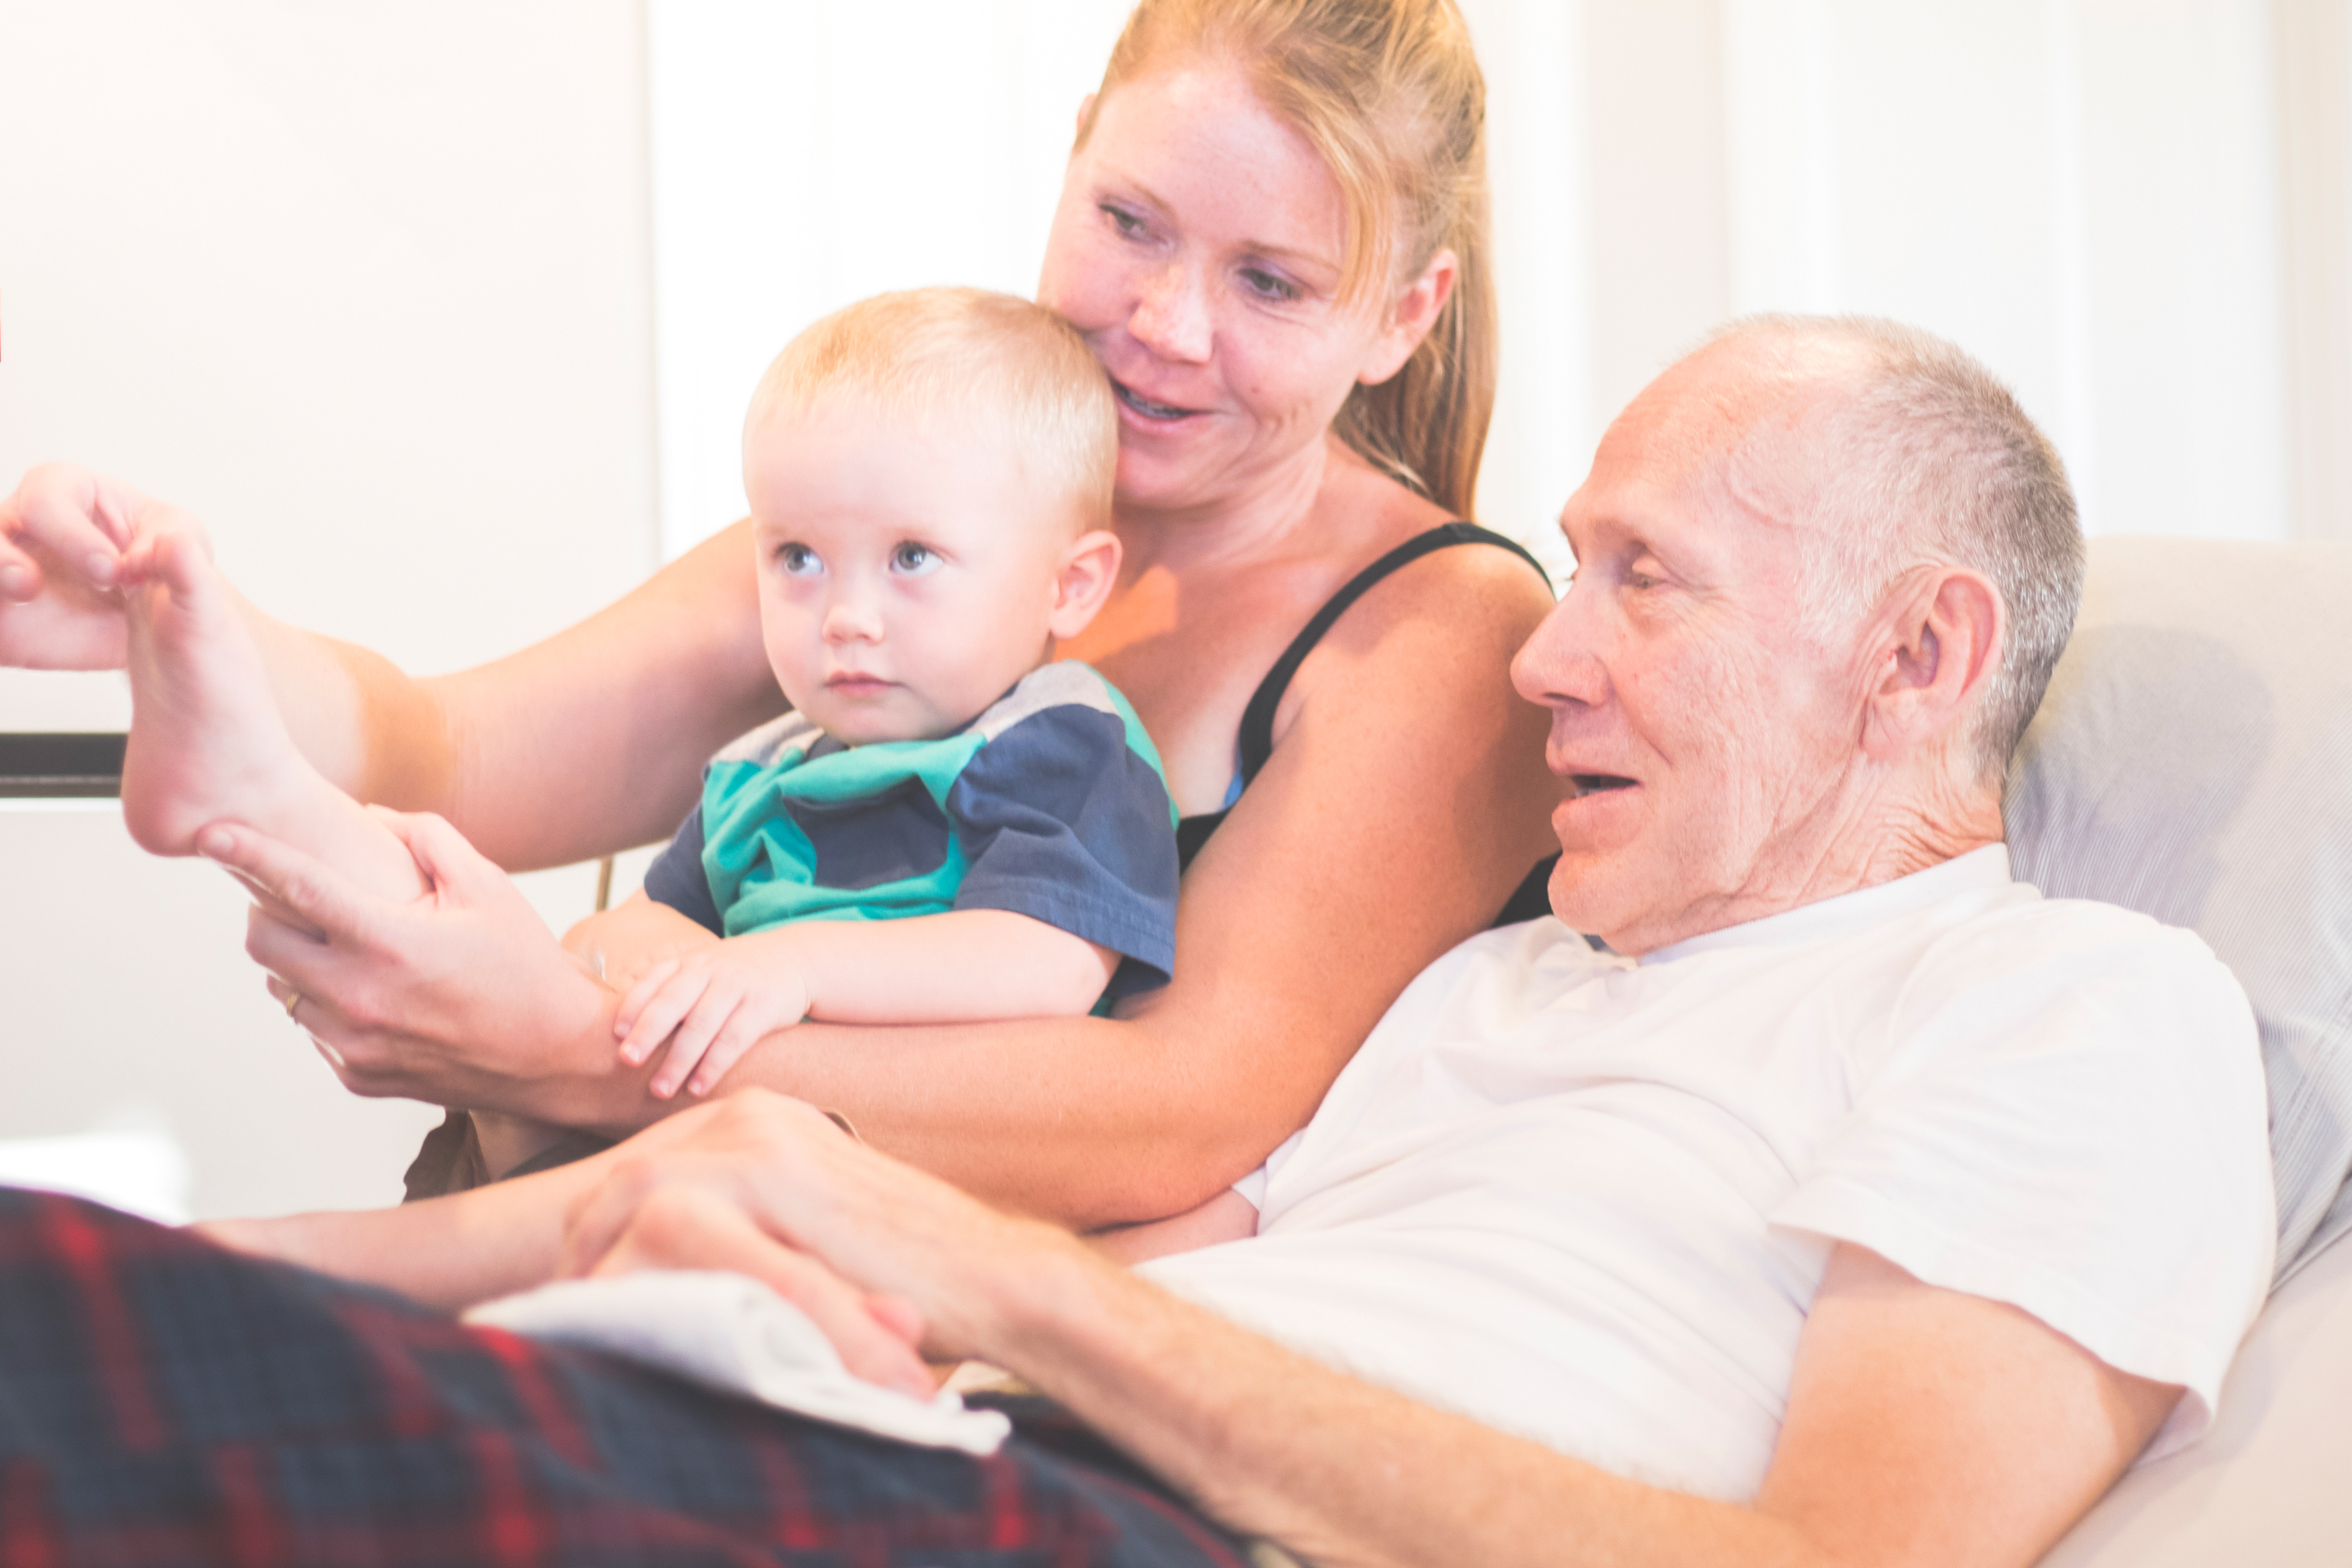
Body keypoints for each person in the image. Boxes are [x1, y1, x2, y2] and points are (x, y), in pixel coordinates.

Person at [0, 317, 2275, 1567]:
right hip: (930, 1440)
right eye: (1562, 569)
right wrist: (735, 1228)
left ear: (1912, 655)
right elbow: (1141, 1228)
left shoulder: (2071, 1008)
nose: (1539, 657)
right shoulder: (1493, 988)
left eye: (1640, 580)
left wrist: (988, 1277)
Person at [0, 0, 1562, 1223]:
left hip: (904, 1283)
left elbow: (1174, 1114)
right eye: (1130, 221)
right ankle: (236, 772)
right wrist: (167, 621)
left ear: (1401, 315)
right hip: (647, 1195)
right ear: (1075, 152)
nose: (1164, 327)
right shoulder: (925, 510)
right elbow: (448, 745)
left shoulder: (1435, 635)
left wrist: (568, 1048)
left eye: (1271, 284)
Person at [100, 288, 1186, 1183]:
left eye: (912, 558)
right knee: (508, 941)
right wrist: (617, 966)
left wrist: (788, 967)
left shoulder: (1061, 743)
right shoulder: (760, 769)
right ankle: (268, 797)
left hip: (908, 1169)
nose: (845, 613)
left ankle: (267, 796)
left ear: (1069, 584)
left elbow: (1048, 964)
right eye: (797, 557)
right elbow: (650, 928)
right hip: (688, 1138)